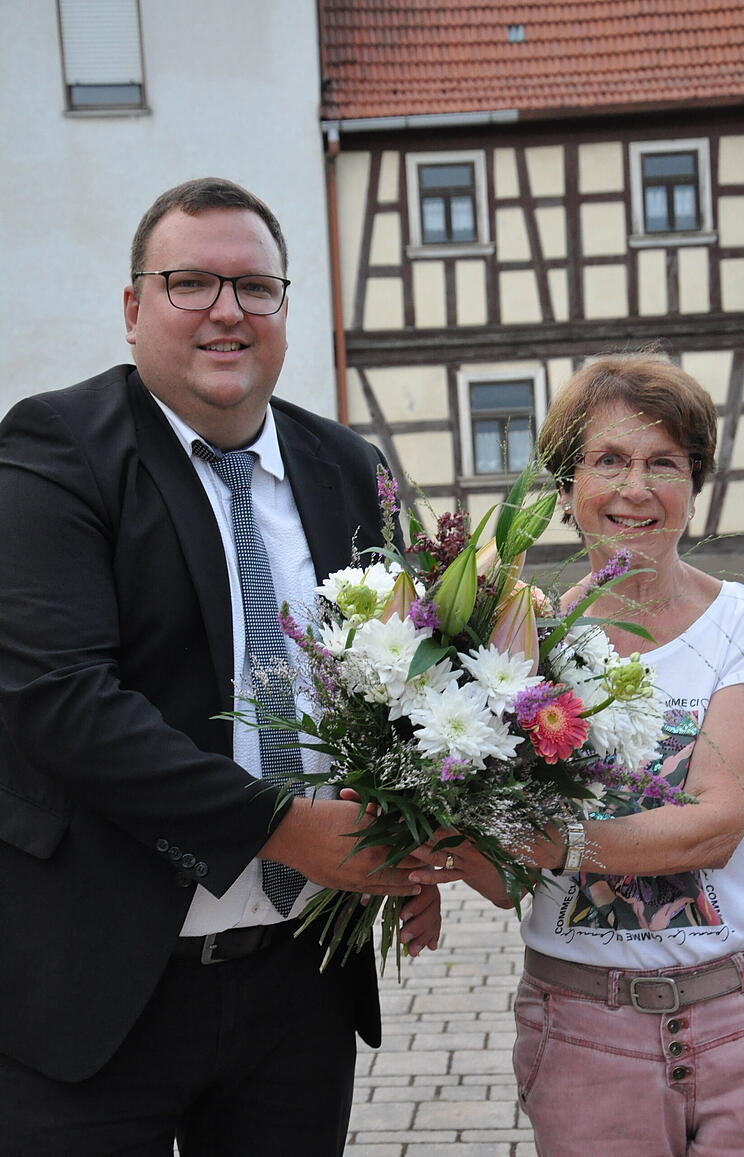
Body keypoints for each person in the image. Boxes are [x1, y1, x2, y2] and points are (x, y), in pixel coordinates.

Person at [0, 177, 440, 1157]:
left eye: (255, 287)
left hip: (297, 987)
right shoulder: (56, 451)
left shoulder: (347, 469)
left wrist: (414, 839)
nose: (227, 311)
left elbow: (401, 687)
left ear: (286, 309)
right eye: (190, 282)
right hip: (99, 984)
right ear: (132, 308)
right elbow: (62, 702)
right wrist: (285, 827)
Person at [410, 352, 744, 1155]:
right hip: (583, 1031)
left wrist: (552, 843)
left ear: (694, 487)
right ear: (566, 489)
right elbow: (508, 885)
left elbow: (715, 826)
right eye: (607, 460)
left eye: (662, 463)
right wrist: (427, 838)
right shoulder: (517, 644)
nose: (634, 488)